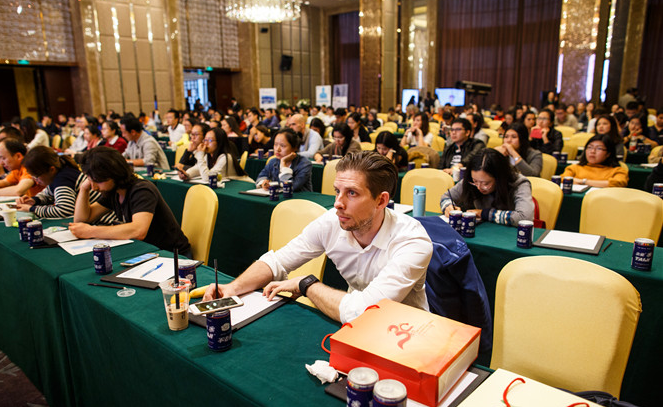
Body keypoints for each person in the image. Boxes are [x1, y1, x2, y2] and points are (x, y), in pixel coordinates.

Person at [203, 151, 433, 323]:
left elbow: (364, 311)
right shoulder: (332, 221)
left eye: (352, 193)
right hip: (354, 327)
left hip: (407, 332)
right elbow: (278, 261)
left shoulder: (412, 241)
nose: (338, 203)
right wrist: (233, 288)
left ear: (381, 201)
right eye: (337, 191)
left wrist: (307, 285)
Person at [69, 147, 191, 256]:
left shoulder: (142, 190)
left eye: (98, 181)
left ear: (114, 174)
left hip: (172, 255)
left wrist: (90, 231)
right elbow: (82, 220)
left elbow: (138, 231)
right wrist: (84, 189)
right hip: (146, 252)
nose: (94, 187)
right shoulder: (113, 191)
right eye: (90, 180)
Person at [441, 148, 534, 227]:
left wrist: (484, 213)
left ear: (499, 178)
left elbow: (525, 217)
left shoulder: (519, 183)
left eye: (486, 183)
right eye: (475, 181)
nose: (479, 187)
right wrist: (448, 207)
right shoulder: (471, 179)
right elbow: (446, 196)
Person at [15, 146, 112, 220]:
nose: (36, 180)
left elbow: (65, 210)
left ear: (51, 170)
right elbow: (48, 193)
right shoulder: (61, 171)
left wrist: (32, 209)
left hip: (104, 219)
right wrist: (35, 200)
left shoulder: (63, 180)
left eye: (37, 176)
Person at [179, 127, 252, 182]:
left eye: (210, 140)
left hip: (241, 184)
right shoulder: (208, 156)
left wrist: (200, 154)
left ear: (219, 142)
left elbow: (208, 178)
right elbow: (197, 168)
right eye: (205, 140)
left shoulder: (225, 157)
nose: (206, 143)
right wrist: (187, 174)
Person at [561, 134, 628, 188]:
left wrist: (583, 181)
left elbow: (618, 182)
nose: (592, 151)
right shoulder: (574, 168)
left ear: (608, 153)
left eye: (599, 148)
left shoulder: (617, 171)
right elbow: (563, 178)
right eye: (590, 147)